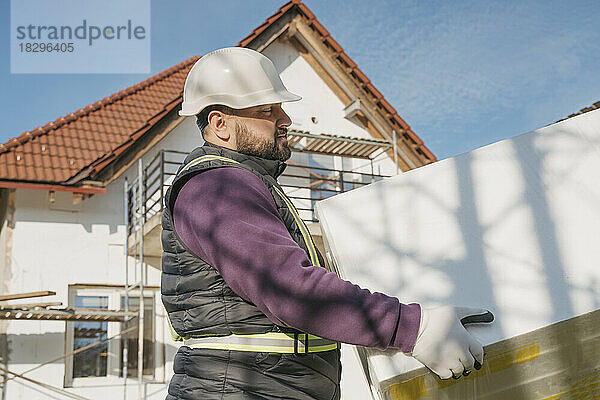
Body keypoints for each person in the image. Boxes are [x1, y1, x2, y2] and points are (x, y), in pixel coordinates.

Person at [161, 47, 493, 400]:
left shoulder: (243, 184)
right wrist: (413, 327)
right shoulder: (217, 189)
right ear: (220, 124)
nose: (285, 119)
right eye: (267, 111)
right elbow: (290, 290)